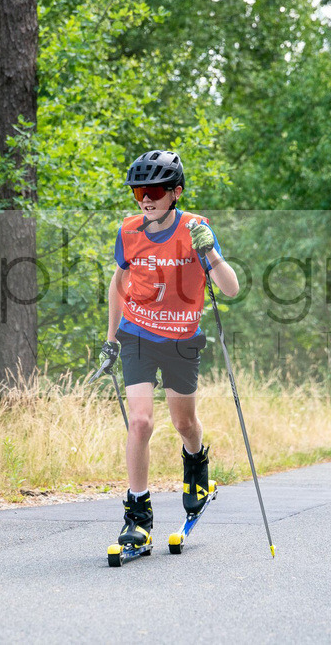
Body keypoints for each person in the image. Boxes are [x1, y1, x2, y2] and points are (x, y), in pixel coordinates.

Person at [97, 150, 240, 550]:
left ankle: (196, 467)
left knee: (184, 424)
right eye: (139, 190)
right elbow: (117, 285)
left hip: (181, 338)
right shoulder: (129, 231)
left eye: (155, 190)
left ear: (175, 192)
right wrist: (111, 339)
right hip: (137, 335)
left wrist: (210, 251)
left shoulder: (196, 229)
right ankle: (137, 517)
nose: (145, 197)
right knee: (140, 422)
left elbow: (231, 290)